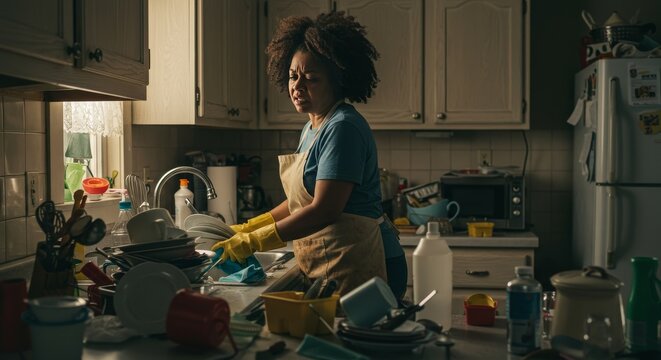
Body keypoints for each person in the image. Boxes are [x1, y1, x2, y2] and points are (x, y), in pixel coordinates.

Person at [211, 11, 407, 299]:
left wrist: (254, 241)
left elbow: (324, 209)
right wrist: (250, 226)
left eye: (311, 78)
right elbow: (298, 203)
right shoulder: (312, 127)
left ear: (338, 81)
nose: (297, 87)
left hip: (365, 262)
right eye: (292, 76)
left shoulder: (343, 127)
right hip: (337, 260)